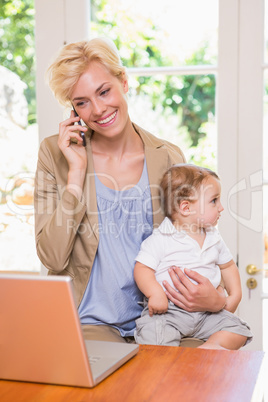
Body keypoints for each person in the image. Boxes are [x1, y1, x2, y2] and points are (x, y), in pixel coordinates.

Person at [34, 37, 227, 345]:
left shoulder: (168, 157)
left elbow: (195, 239)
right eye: (82, 102)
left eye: (104, 91)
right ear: (72, 110)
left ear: (123, 81)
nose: (98, 110)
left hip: (163, 316)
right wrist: (76, 174)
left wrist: (216, 299)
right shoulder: (54, 154)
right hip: (90, 322)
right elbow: (53, 258)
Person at [134, 164, 252, 349]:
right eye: (214, 200)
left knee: (239, 331)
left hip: (208, 314)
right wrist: (155, 293)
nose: (221, 207)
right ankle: (167, 364)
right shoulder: (162, 237)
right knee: (155, 335)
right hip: (169, 312)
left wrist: (235, 296)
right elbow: (142, 268)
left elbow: (228, 266)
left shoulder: (214, 237)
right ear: (186, 207)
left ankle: (208, 350)